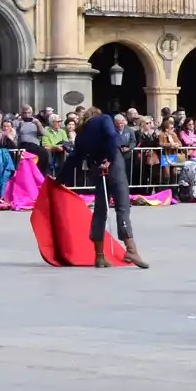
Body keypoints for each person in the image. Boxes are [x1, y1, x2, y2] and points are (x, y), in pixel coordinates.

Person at [62, 105, 148, 268]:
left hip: (97, 169)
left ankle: (99, 256)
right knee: (122, 206)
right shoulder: (105, 119)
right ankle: (131, 249)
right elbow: (111, 136)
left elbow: (73, 159)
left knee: (100, 210)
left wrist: (58, 181)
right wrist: (109, 158)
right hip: (114, 164)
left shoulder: (81, 133)